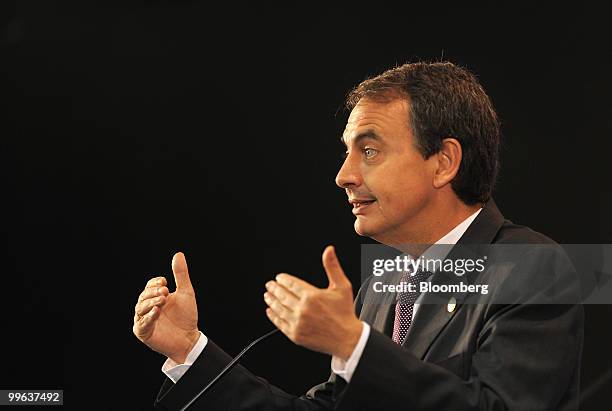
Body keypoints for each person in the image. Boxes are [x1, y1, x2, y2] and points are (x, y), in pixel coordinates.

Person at [133, 62, 583, 410]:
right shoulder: (383, 288)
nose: (343, 175)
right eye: (347, 153)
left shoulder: (532, 266)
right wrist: (189, 350)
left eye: (369, 151)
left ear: (444, 162)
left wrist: (354, 345)